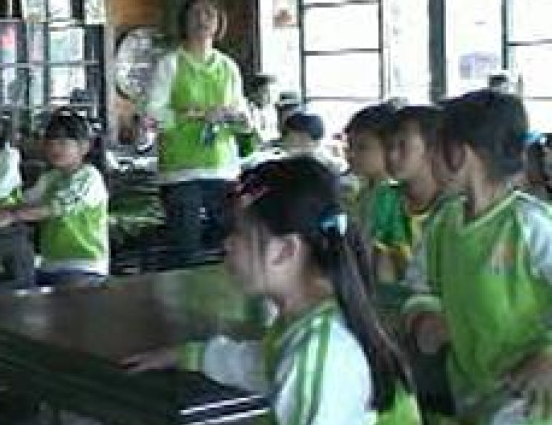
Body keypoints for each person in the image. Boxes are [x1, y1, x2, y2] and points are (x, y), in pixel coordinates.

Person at [126, 157, 420, 425]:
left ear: (285, 250)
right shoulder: (307, 323)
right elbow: (260, 364)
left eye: (240, 233)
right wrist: (190, 356)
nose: (227, 244)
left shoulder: (320, 351)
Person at [405, 90, 552, 423]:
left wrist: (548, 356)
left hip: (530, 403)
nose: (428, 161)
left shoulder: (531, 225)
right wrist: (423, 313)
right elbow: (421, 283)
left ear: (458, 154)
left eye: (433, 149)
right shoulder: (443, 224)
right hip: (471, 395)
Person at [146, 0, 250, 261]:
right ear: (184, 20)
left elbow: (243, 118)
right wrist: (193, 115)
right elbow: (153, 116)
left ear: (219, 22)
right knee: (186, 252)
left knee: (228, 250)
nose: (202, 20)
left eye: (209, 14)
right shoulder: (170, 64)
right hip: (180, 171)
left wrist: (235, 117)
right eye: (195, 14)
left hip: (223, 169)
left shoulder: (228, 67)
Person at [0, 110, 109, 287]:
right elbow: (25, 202)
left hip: (83, 266)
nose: (55, 148)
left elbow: (54, 208)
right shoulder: (51, 178)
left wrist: (11, 216)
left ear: (84, 147)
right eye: (50, 143)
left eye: (63, 143)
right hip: (50, 265)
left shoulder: (89, 177)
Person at [373, 106, 445, 284]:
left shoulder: (452, 205)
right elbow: (383, 268)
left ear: (432, 149)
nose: (391, 155)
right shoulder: (386, 199)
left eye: (402, 146)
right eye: (388, 146)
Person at [344, 102, 397, 239]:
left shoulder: (393, 196)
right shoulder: (363, 191)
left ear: (390, 147)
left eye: (362, 147)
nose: (351, 154)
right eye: (349, 146)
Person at [280, 112, 348, 176]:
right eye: (285, 135)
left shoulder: (329, 166)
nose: (284, 140)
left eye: (287, 134)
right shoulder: (292, 162)